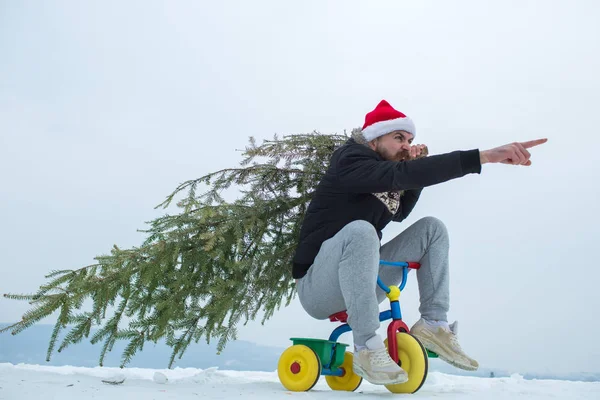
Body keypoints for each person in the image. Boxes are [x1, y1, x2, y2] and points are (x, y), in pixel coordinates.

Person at [291, 99, 547, 385]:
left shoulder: (387, 173)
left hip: (360, 279)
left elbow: (400, 213)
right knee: (361, 231)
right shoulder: (351, 160)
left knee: (432, 229)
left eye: (410, 139)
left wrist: (415, 168)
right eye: (398, 137)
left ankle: (433, 324)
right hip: (317, 287)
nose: (405, 145)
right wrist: (483, 156)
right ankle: (366, 346)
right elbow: (397, 177)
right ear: (374, 140)